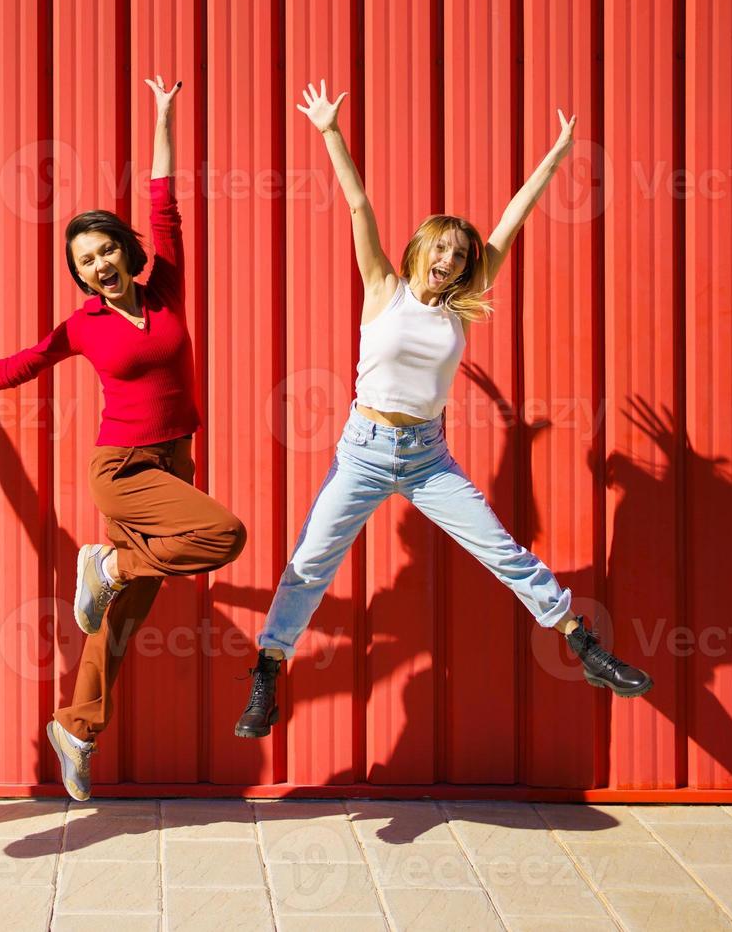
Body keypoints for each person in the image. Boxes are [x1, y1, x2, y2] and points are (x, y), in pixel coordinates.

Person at [234, 81, 651, 740]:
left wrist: (557, 155)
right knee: (311, 561)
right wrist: (329, 133)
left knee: (503, 550)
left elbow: (513, 219)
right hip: (365, 451)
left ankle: (584, 645)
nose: (449, 260)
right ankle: (268, 668)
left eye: (459, 254)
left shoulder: (462, 305)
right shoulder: (384, 290)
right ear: (420, 251)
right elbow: (357, 203)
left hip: (428, 459)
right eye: (441, 249)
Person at [0, 77, 245, 800]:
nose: (99, 264)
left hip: (175, 460)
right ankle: (113, 566)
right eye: (85, 261)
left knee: (118, 626)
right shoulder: (82, 327)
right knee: (225, 536)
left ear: (126, 251)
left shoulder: (166, 290)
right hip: (123, 470)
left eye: (105, 251)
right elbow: (16, 366)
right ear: (82, 276)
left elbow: (167, 205)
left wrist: (162, 114)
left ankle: (76, 726)